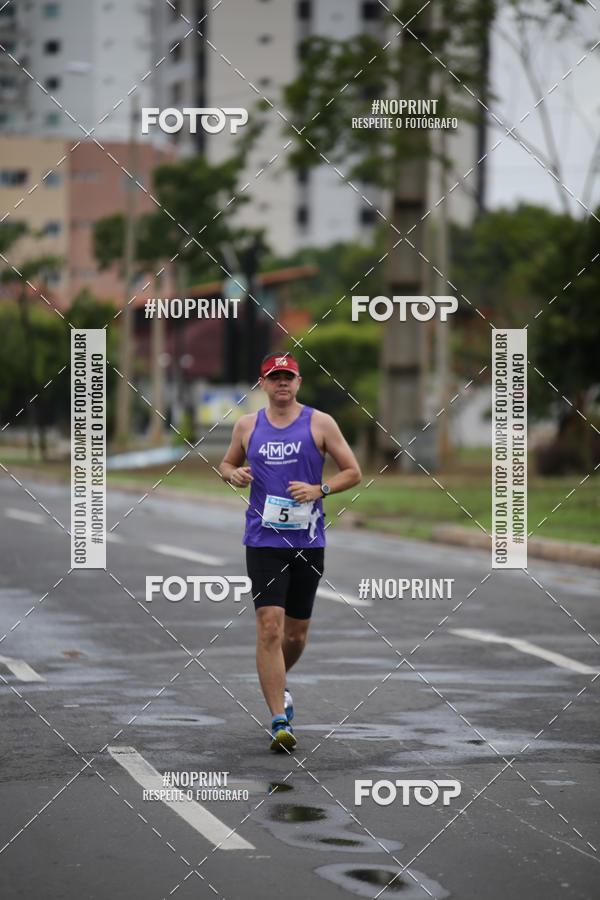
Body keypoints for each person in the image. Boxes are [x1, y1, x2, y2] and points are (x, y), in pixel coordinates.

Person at [219, 353, 362, 752]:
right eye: (274, 378)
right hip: (263, 540)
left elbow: (353, 470)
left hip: (307, 541)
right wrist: (232, 473)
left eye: (288, 378)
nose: (282, 384)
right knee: (270, 628)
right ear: (262, 384)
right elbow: (227, 462)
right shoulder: (248, 425)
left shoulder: (320, 423)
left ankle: (277, 679)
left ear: (298, 383)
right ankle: (279, 718)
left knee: (295, 635)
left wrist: (322, 490)